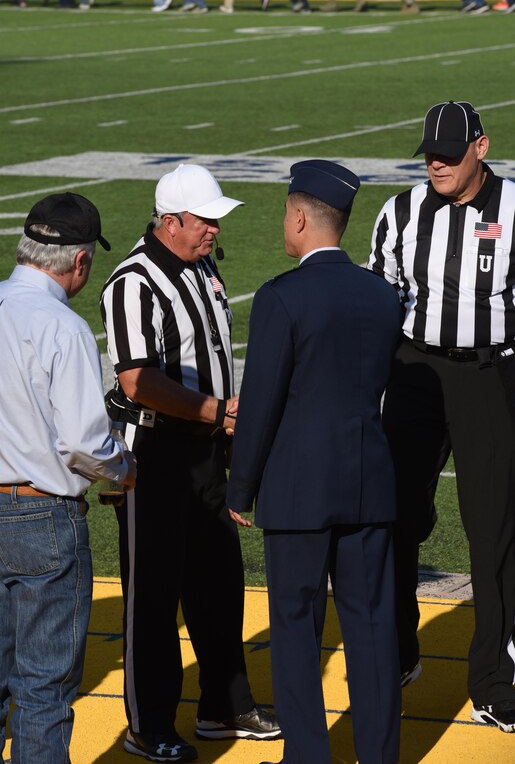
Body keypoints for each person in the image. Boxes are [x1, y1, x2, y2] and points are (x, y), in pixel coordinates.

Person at [100, 164, 281, 762]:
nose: (213, 229)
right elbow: (136, 377)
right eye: (204, 219)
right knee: (152, 595)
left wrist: (223, 431)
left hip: (203, 446)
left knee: (219, 581)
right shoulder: (135, 281)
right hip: (153, 452)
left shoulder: (202, 265)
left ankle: (222, 703)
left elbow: (214, 354)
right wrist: (213, 411)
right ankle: (148, 721)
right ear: (170, 221)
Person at [227, 160, 402, 764]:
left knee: (297, 632)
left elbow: (263, 402)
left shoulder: (282, 296)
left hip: (298, 492)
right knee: (374, 631)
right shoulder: (383, 295)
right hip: (368, 485)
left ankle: (307, 755)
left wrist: (239, 486)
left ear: (299, 216)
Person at [0, 192, 137, 763]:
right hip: (40, 514)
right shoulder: (60, 326)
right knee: (43, 688)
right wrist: (125, 469)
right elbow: (85, 444)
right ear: (81, 262)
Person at [367, 101, 515, 732]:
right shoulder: (400, 211)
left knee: (495, 530)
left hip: (490, 374)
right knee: (395, 514)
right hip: (415, 373)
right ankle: (396, 653)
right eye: (430, 151)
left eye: (450, 153)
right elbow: (380, 300)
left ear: (481, 148)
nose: (437, 163)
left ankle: (495, 682)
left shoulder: (514, 210)